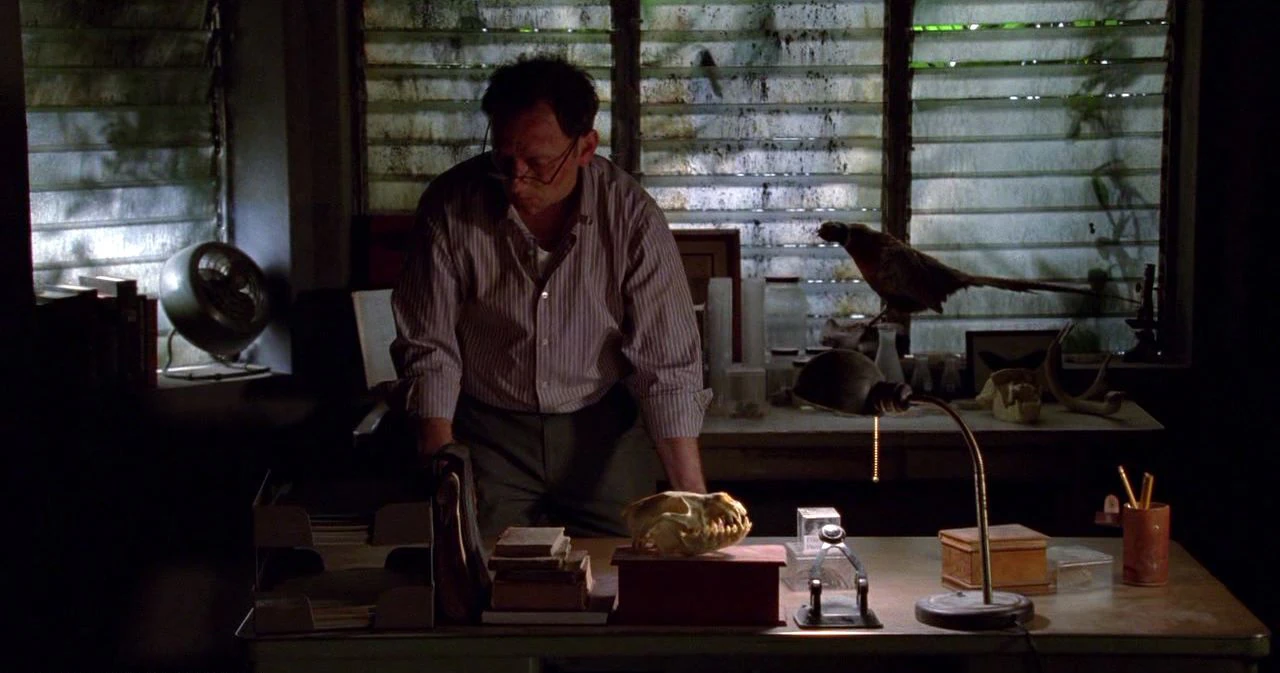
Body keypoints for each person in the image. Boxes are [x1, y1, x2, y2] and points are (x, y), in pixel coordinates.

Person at [390, 55, 711, 539]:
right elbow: (429, 345)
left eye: (538, 163)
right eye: (504, 159)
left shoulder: (631, 216)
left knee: (628, 561)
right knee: (478, 566)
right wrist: (443, 464)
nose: (517, 180)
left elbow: (666, 362)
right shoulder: (450, 205)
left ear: (585, 147)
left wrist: (693, 498)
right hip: (488, 429)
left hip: (599, 428)